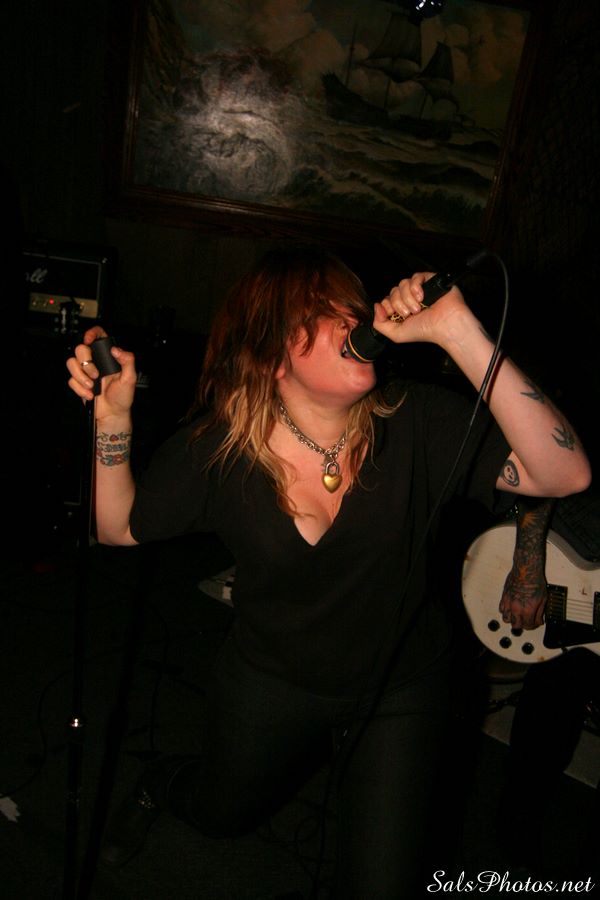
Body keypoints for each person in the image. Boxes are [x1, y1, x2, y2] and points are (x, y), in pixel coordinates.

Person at [66, 246, 591, 898]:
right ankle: (162, 781)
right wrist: (112, 419)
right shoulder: (221, 449)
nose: (351, 319)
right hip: (273, 682)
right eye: (321, 312)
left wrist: (459, 331)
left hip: (402, 685)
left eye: (350, 305)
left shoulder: (418, 418)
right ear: (273, 355)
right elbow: (117, 527)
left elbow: (563, 473)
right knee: (220, 814)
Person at [497, 492, 600, 879]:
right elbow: (544, 475)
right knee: (547, 722)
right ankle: (515, 855)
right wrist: (527, 565)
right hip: (579, 548)